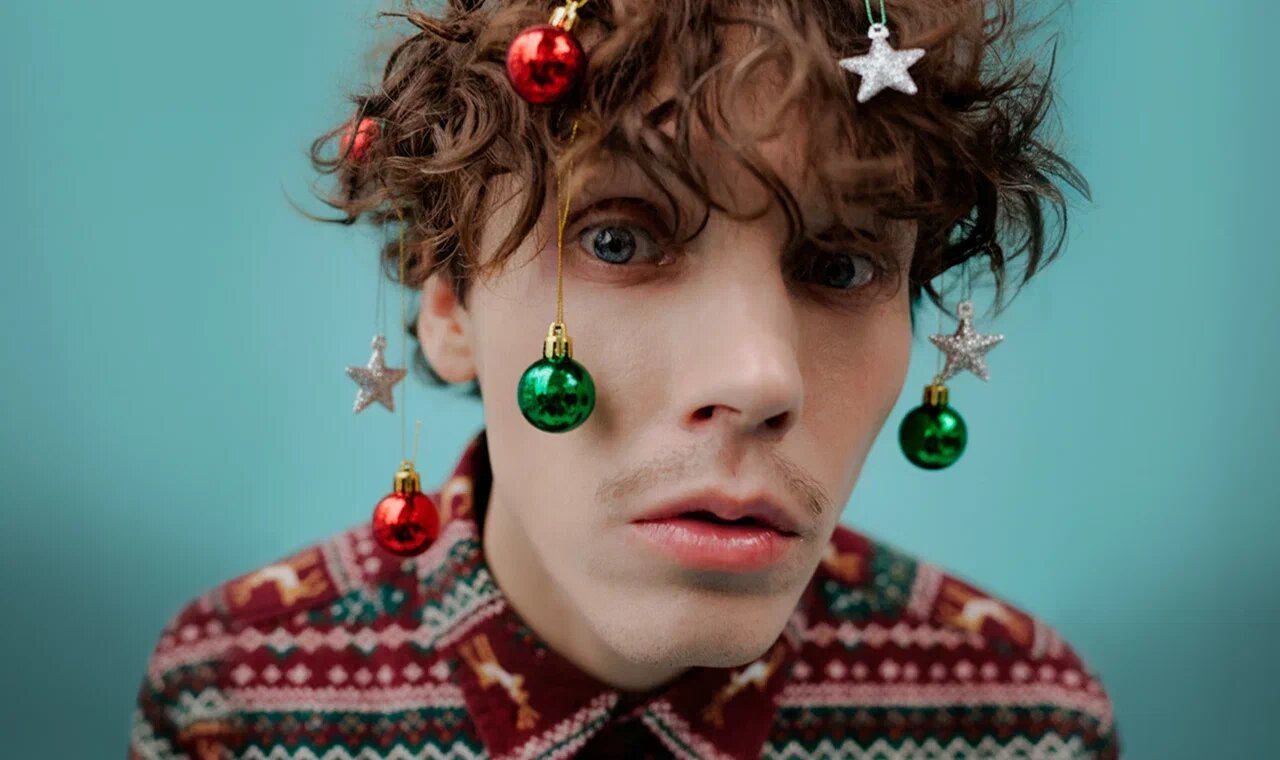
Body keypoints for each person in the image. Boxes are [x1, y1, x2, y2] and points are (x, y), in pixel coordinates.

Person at [129, 0, 1120, 757]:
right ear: (449, 305)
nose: (760, 377)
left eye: (841, 267)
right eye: (617, 240)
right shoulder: (234, 699)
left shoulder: (1021, 724)